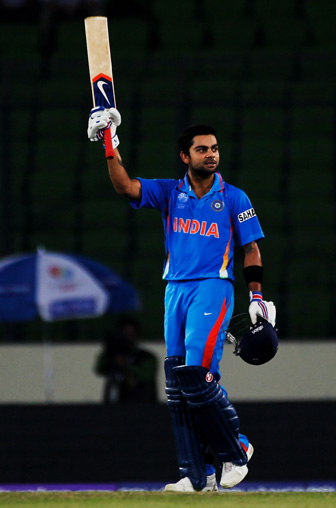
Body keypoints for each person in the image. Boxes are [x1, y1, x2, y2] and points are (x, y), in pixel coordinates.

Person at [87, 110, 277, 492]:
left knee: (196, 372)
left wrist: (256, 295)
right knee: (176, 382)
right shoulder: (171, 192)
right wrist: (109, 142)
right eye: (202, 149)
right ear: (184, 157)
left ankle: (236, 448)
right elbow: (125, 186)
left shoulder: (235, 197)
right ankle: (196, 475)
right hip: (175, 288)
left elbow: (251, 249)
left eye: (215, 149)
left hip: (213, 286)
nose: (211, 155)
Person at [94, 316, 157, 404]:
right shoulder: (113, 355)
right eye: (125, 334)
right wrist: (108, 351)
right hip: (116, 404)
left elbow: (147, 375)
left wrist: (126, 366)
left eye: (131, 334)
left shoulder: (146, 357)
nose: (128, 338)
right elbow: (99, 369)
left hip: (142, 405)